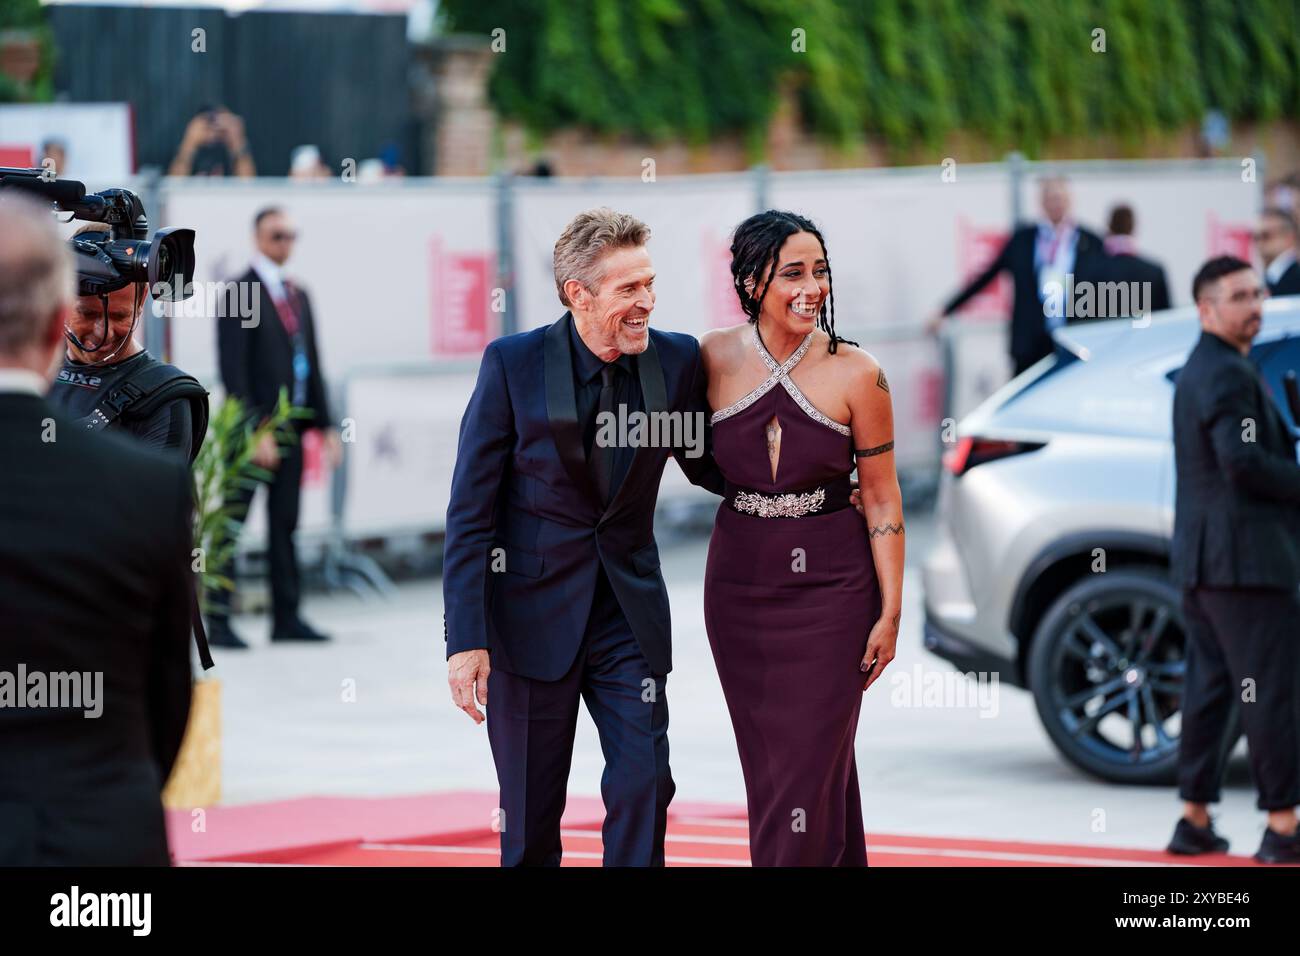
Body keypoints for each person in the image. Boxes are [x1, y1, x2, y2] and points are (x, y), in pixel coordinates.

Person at [443, 208, 725, 866]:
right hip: (529, 620)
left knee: (645, 785)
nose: (646, 302)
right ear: (580, 294)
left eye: (649, 285)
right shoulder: (512, 364)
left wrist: (807, 486)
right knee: (531, 819)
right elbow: (470, 511)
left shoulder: (676, 359)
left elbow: (710, 462)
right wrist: (466, 639)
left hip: (628, 615)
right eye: (629, 289)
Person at [700, 211, 903, 866]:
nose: (811, 286)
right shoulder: (709, 359)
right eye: (793, 273)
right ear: (753, 280)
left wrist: (892, 609)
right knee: (793, 776)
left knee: (805, 767)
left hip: (835, 594)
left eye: (820, 271)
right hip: (740, 590)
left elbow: (880, 494)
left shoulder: (860, 373)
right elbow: (686, 452)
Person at [0, 194, 194, 865]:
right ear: (58, 322)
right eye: (87, 311)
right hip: (100, 828)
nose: (104, 328)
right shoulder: (148, 492)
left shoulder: (162, 403)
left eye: (118, 311)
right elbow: (170, 702)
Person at [1167, 255, 1300, 865]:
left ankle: (1194, 820)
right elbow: (1242, 464)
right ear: (1207, 308)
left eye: (1258, 293)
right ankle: (1282, 828)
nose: (1255, 305)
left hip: (1205, 564)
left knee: (1213, 689)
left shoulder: (1204, 366)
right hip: (1244, 564)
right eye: (1240, 296)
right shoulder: (1225, 374)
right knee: (1269, 693)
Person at [210, 207, 341, 649]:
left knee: (285, 523)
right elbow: (234, 370)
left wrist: (325, 426)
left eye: (290, 236)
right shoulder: (240, 292)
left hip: (292, 427)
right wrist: (255, 430)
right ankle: (218, 620)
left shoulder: (296, 293)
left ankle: (287, 616)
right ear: (258, 238)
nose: (285, 243)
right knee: (232, 521)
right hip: (253, 429)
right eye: (277, 236)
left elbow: (312, 364)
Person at [45, 223, 208, 464]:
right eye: (87, 314)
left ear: (141, 300)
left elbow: (153, 499)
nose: (105, 332)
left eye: (120, 316)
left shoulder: (166, 397)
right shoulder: (27, 372)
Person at [927, 176, 1103, 375]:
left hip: (1073, 341)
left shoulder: (1091, 242)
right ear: (1042, 202)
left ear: (1070, 200)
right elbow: (986, 277)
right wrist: (947, 309)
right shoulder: (1023, 240)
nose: (1056, 204)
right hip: (1030, 344)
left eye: (1060, 198)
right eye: (1051, 198)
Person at [1091, 204, 1171, 317]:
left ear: (1109, 226)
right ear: (1133, 227)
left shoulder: (1093, 271)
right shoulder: (1154, 271)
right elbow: (1166, 317)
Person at [170, 105, 256, 178]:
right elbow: (174, 186)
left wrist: (238, 141)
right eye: (209, 123)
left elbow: (249, 188)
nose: (214, 131)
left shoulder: (230, 150)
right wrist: (189, 143)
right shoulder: (194, 151)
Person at [1254, 207, 1300, 297]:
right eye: (1255, 237)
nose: (1259, 243)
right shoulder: (1268, 277)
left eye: (1266, 236)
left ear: (1289, 237)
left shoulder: (1295, 278)